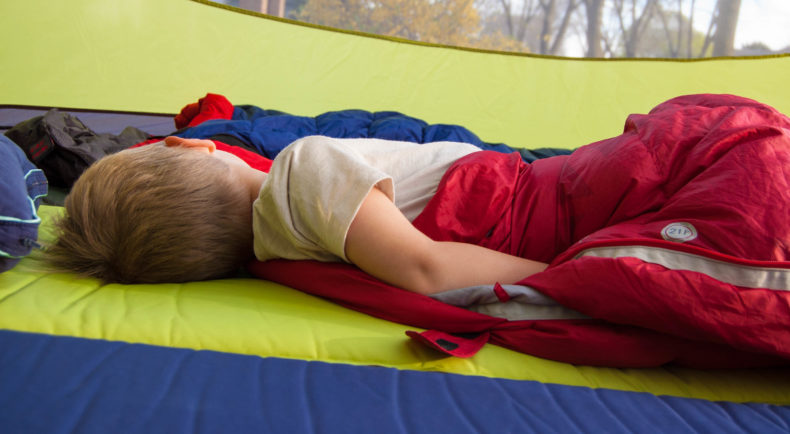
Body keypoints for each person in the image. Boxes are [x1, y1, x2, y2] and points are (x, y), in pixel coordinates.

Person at [45, 135, 548, 293]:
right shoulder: (302, 168)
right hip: (537, 202)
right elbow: (427, 268)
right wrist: (567, 277)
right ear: (194, 146)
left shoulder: (274, 248)